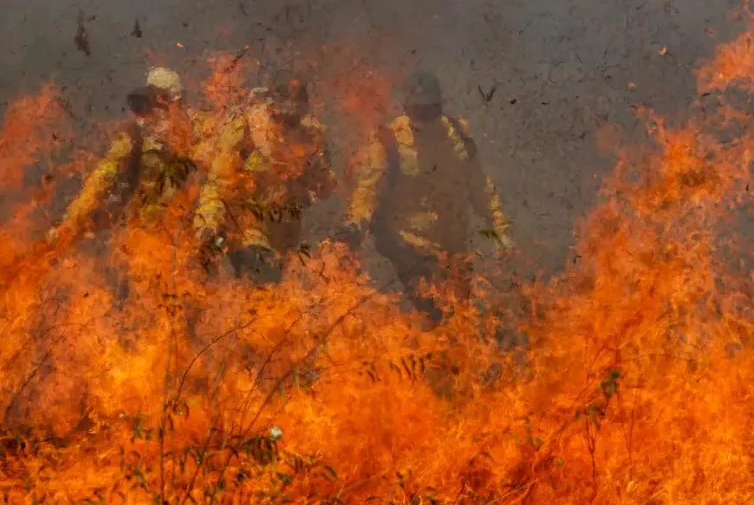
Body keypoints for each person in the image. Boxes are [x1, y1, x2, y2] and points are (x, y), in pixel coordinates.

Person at [339, 70, 514, 326]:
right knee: (431, 320)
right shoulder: (390, 140)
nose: (424, 114)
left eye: (430, 108)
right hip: (409, 250)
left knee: (457, 327)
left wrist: (500, 229)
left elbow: (480, 187)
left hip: (454, 254)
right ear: (407, 107)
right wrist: (357, 221)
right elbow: (368, 189)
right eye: (418, 108)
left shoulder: (457, 134)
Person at [193, 72, 337, 284]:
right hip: (247, 229)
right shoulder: (247, 130)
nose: (288, 126)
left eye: (294, 119)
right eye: (284, 118)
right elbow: (218, 184)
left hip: (285, 237)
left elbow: (324, 191)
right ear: (272, 107)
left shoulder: (311, 136)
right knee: (261, 276)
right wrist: (208, 223)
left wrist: (317, 168)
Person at [49, 67, 215, 243]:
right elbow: (101, 178)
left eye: (165, 101)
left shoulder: (200, 129)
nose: (158, 110)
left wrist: (208, 225)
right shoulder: (135, 136)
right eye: (153, 103)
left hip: (190, 231)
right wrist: (71, 221)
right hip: (147, 235)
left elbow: (215, 180)